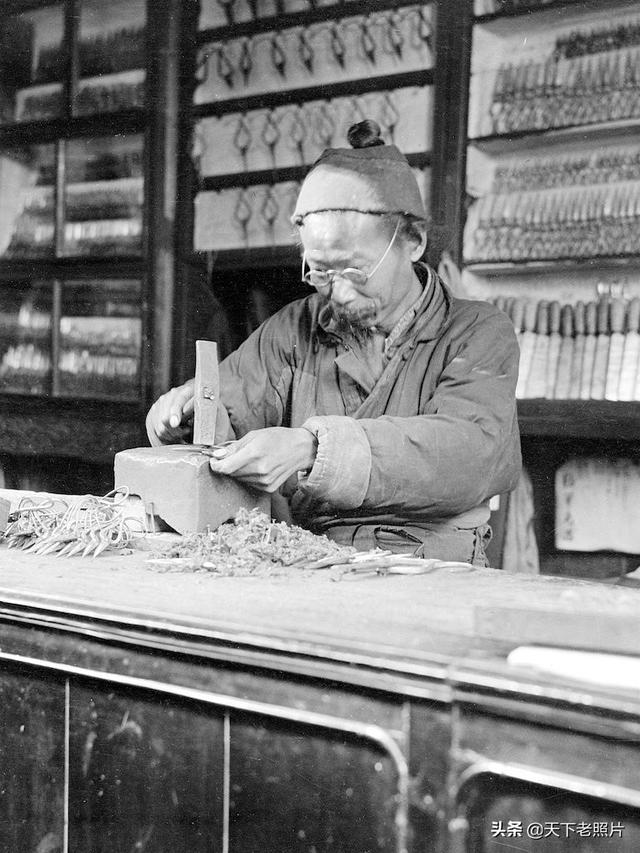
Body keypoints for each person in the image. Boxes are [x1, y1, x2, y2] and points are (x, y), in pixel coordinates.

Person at [146, 120, 521, 565]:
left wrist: (314, 449)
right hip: (306, 562)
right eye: (320, 273)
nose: (337, 293)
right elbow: (227, 412)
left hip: (430, 569)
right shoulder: (295, 328)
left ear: (413, 242)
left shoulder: (476, 331)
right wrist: (187, 418)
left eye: (354, 271)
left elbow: (470, 452)